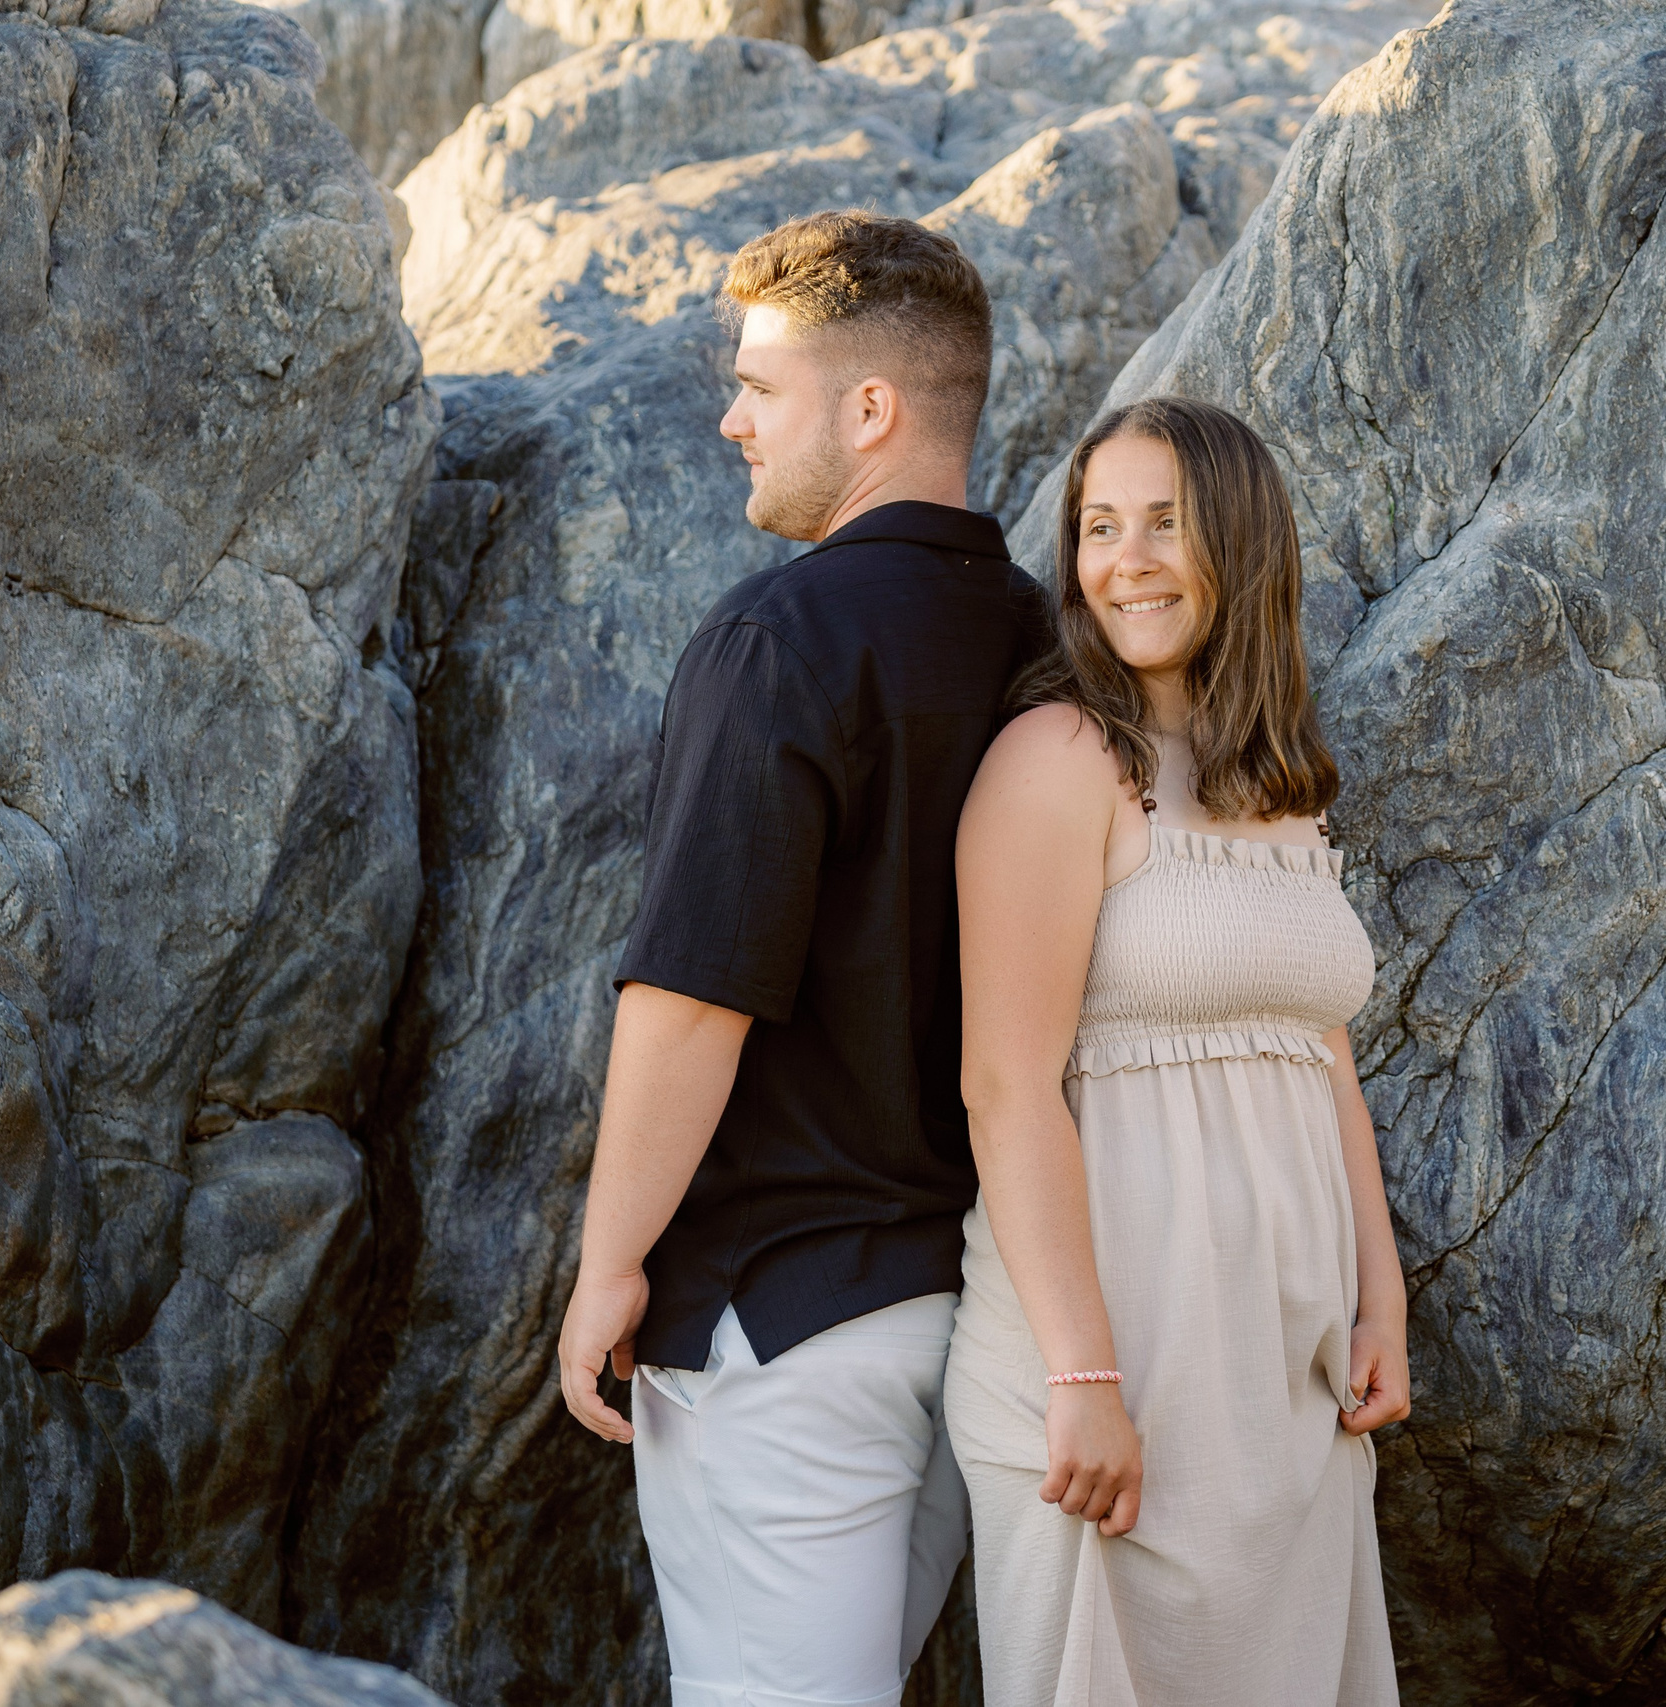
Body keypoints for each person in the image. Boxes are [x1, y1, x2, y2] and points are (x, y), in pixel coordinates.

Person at [553, 210, 1053, 1707]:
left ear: (872, 410)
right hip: (984, 1314)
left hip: (787, 1326)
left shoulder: (779, 639)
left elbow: (697, 994)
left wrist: (605, 1266)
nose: (729, 419)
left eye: (761, 387)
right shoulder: (1050, 642)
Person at [945, 396, 1409, 1705]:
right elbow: (1005, 1086)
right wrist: (1081, 1379)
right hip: (1109, 1360)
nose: (1127, 558)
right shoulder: (1055, 760)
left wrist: (1381, 1294)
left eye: (1166, 524)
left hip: (1284, 1372)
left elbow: (1315, 1047)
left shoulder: (1281, 782)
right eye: (1100, 527)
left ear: (1244, 548)